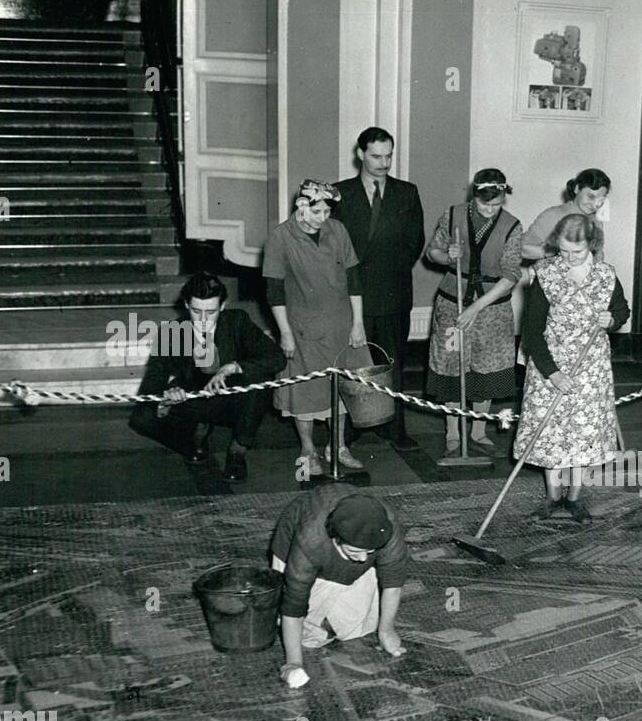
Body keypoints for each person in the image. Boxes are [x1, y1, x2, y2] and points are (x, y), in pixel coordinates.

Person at [516, 213, 630, 521]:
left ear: (591, 245)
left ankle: (574, 499)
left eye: (576, 252)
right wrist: (552, 372)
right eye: (563, 251)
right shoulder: (546, 273)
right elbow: (531, 330)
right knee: (551, 434)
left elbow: (621, 309)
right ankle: (553, 498)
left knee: (583, 436)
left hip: (590, 368)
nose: (568, 258)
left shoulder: (606, 275)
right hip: (549, 365)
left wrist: (613, 319)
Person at [129, 272, 285, 481]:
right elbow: (151, 384)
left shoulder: (237, 321)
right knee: (141, 418)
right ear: (186, 305)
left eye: (210, 312)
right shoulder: (172, 332)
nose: (203, 319)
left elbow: (276, 357)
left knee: (258, 379)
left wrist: (234, 367)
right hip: (193, 400)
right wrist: (164, 399)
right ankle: (191, 445)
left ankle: (237, 451)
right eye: (196, 311)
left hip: (232, 400)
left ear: (222, 306)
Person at [263, 179, 372, 477]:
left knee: (342, 391)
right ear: (301, 206)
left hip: (341, 324)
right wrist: (284, 332)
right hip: (301, 329)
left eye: (327, 212)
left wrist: (358, 323)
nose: (322, 219)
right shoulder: (280, 237)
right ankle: (308, 449)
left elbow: (354, 278)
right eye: (316, 212)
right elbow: (273, 291)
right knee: (305, 391)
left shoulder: (337, 230)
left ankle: (337, 446)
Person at [333, 127, 426, 451]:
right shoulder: (339, 193)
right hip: (351, 295)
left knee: (393, 364)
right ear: (360, 154)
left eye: (389, 156)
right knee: (351, 364)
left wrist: (390, 270)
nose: (384, 163)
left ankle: (395, 428)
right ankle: (351, 427)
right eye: (376, 156)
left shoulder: (407, 192)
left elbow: (415, 242)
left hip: (392, 293)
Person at [270, 484, 409, 688]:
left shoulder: (388, 529)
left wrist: (386, 630)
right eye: (355, 552)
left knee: (359, 628)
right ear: (336, 538)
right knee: (307, 638)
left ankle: (334, 604)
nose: (363, 559)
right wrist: (294, 662)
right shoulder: (310, 541)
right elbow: (293, 605)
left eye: (369, 551)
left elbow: (393, 584)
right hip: (297, 549)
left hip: (339, 548)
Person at [424, 169, 522, 455]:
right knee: (452, 366)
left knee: (486, 368)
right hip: (452, 303)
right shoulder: (453, 215)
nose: (491, 210)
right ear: (473, 196)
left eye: (497, 204)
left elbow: (511, 275)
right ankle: (452, 432)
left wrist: (477, 307)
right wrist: (446, 255)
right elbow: (432, 252)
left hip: (492, 308)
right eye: (484, 205)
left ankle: (478, 430)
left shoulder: (512, 225)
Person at [522, 168, 611, 261]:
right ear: (577, 189)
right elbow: (520, 248)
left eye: (601, 199)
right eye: (590, 196)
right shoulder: (554, 214)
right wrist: (552, 251)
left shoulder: (596, 221)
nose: (595, 204)